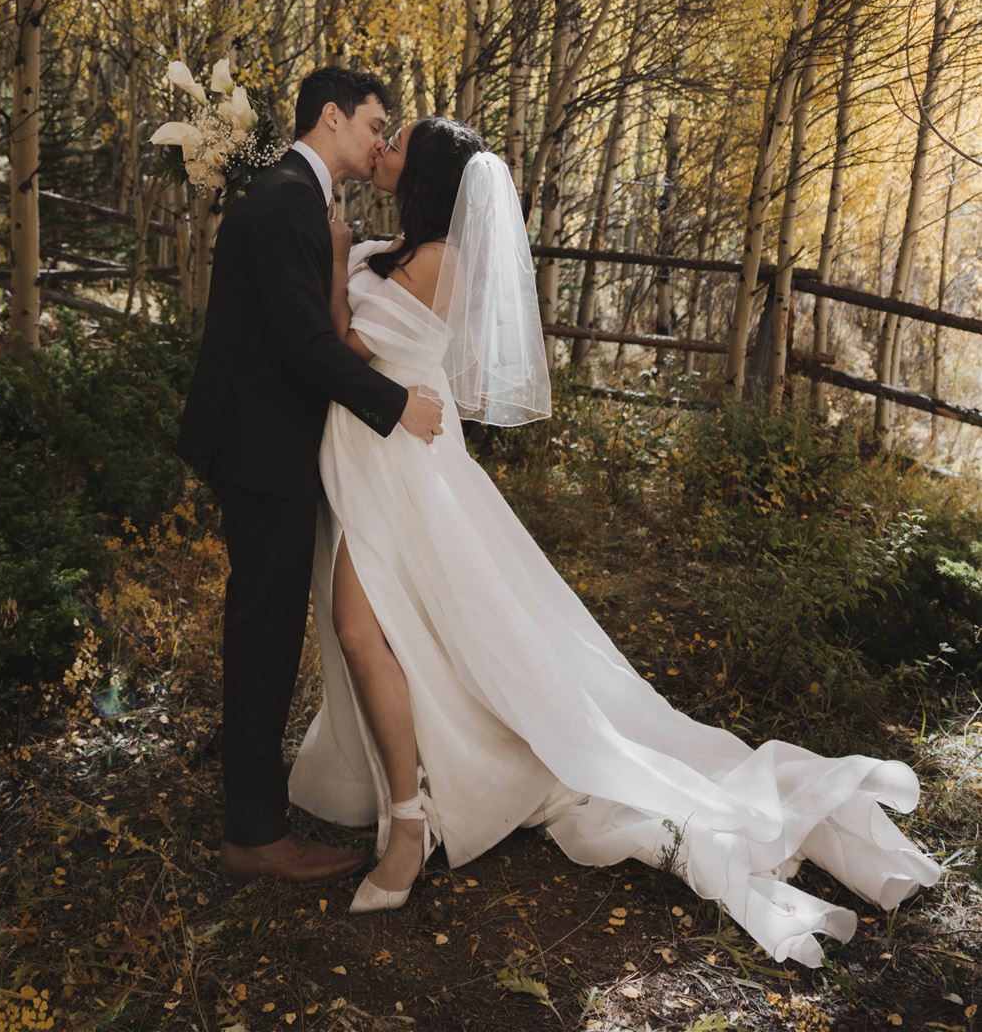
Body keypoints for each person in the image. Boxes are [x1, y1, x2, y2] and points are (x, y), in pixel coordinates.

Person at [287, 117, 941, 965]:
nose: (387, 147)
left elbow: (342, 346)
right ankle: (419, 794)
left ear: (429, 176)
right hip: (377, 459)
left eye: (400, 141)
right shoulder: (400, 245)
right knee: (396, 631)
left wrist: (335, 256)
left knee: (364, 626)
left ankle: (413, 825)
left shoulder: (437, 260)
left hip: (398, 468)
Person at [177, 67, 445, 886]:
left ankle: (254, 810)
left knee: (266, 626)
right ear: (329, 115)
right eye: (373, 122)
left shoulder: (293, 193)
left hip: (262, 444)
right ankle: (253, 833)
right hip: (262, 450)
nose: (378, 140)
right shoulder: (289, 196)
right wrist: (394, 403)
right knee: (263, 632)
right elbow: (303, 347)